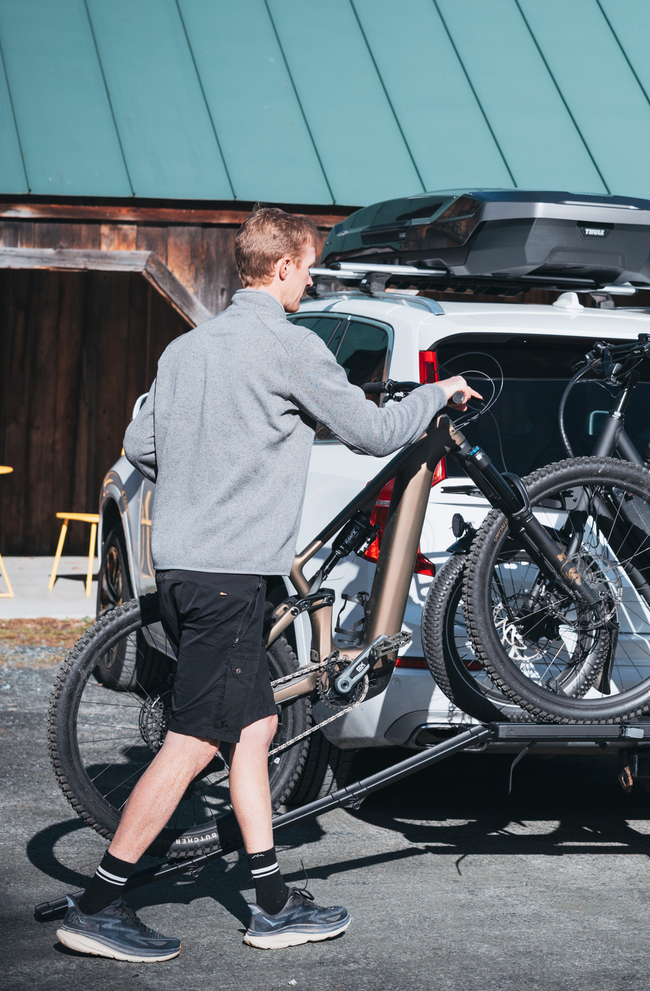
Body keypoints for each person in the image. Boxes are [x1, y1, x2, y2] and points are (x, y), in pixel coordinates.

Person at [56, 208, 480, 962]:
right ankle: (99, 904)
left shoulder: (185, 350)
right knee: (191, 743)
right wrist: (437, 393)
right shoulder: (292, 347)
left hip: (185, 569)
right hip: (229, 580)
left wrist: (206, 479)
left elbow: (140, 444)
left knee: (252, 731)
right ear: (282, 267)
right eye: (308, 266)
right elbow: (375, 433)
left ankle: (274, 902)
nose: (311, 279)